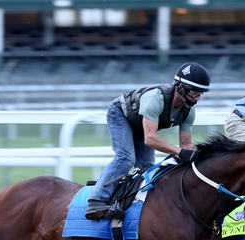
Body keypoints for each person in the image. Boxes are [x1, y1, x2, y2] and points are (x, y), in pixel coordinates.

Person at [85, 62, 211, 220]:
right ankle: (97, 200)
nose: (197, 98)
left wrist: (198, 158)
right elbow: (150, 138)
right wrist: (180, 152)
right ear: (180, 86)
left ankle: (130, 202)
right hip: (120, 114)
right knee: (126, 158)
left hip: (140, 124)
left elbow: (186, 144)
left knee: (147, 168)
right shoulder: (156, 98)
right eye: (194, 93)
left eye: (200, 94)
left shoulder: (189, 111)